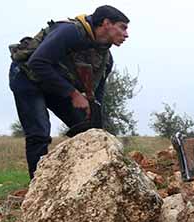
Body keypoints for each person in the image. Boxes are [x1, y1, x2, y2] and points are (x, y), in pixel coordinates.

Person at [8, 5, 129, 179]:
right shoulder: (70, 32)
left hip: (55, 85)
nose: (126, 34)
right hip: (28, 78)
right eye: (122, 27)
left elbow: (97, 96)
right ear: (106, 23)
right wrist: (73, 94)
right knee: (39, 133)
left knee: (88, 130)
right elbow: (38, 62)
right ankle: (37, 188)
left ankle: (86, 180)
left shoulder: (106, 58)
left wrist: (95, 121)